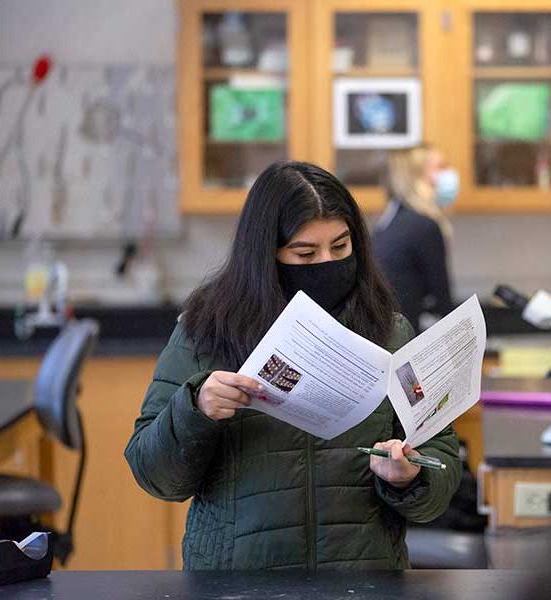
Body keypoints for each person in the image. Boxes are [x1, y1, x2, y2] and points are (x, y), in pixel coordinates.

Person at [124, 161, 462, 570]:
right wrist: (195, 408)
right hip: (238, 580)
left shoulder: (389, 329)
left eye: (340, 247)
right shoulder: (206, 330)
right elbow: (153, 474)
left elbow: (439, 456)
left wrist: (411, 477)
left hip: (363, 577)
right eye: (305, 253)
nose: (327, 262)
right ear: (266, 255)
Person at [372, 144, 457, 331]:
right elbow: (442, 301)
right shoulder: (423, 226)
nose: (449, 174)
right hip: (405, 337)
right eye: (440, 167)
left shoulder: (392, 220)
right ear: (416, 176)